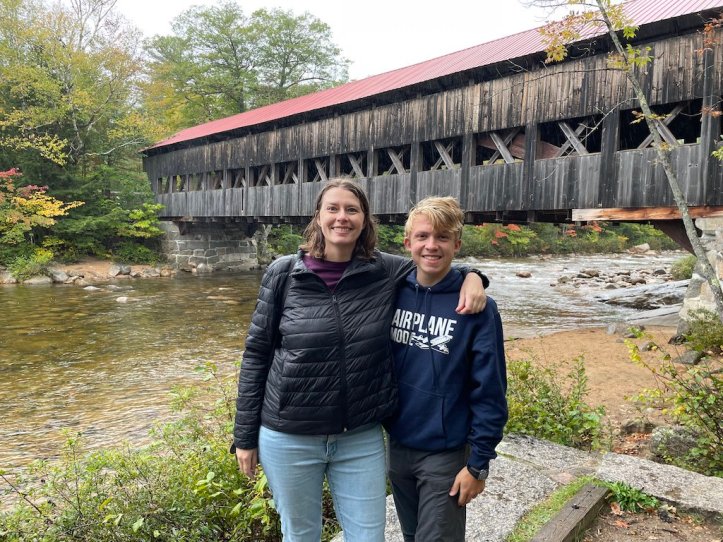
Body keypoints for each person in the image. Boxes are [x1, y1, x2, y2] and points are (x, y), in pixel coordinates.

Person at [232, 179, 488, 542]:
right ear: (318, 217)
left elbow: (432, 263)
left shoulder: (383, 270)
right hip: (288, 434)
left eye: (352, 210)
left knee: (369, 536)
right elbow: (256, 355)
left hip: (359, 436)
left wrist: (474, 277)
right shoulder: (284, 273)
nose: (342, 217)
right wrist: (244, 435)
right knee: (300, 534)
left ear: (365, 219)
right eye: (333, 209)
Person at [386, 196, 508, 542]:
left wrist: (479, 463)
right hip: (396, 446)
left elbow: (491, 389)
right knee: (412, 536)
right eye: (423, 236)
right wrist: (474, 274)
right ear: (407, 242)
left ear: (457, 244)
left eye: (442, 237)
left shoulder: (478, 308)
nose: (431, 246)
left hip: (445, 453)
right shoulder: (392, 288)